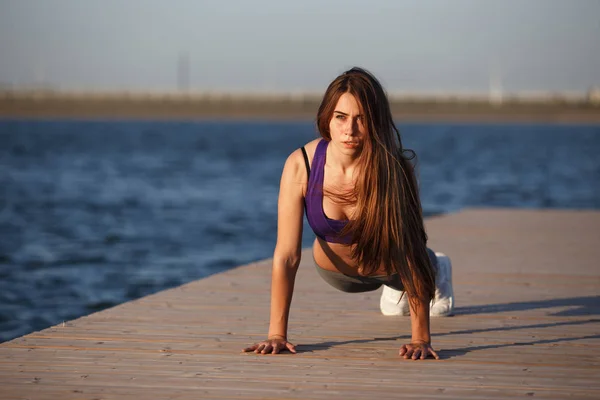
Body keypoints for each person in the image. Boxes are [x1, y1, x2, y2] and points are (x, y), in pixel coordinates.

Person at [243, 67, 454, 360]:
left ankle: (435, 271)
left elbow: (410, 251)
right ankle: (397, 292)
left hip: (394, 269)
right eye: (340, 117)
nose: (349, 130)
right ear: (327, 117)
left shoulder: (393, 169)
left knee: (419, 261)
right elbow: (287, 254)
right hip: (337, 274)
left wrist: (420, 338)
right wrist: (277, 335)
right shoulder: (301, 164)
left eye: (362, 119)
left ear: (376, 122)